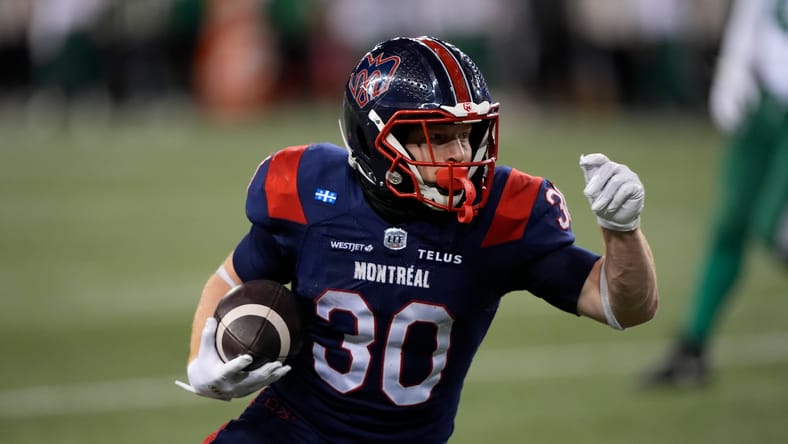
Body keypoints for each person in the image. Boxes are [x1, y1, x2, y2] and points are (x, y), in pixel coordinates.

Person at [176, 36, 659, 443]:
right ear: (374, 142)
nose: (461, 153)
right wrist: (203, 357)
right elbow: (232, 276)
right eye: (437, 136)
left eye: (468, 134)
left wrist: (623, 231)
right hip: (286, 431)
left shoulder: (501, 213)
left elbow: (624, 305)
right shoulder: (310, 190)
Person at [640, 0, 788, 389]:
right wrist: (734, 67)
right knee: (729, 225)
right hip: (764, 101)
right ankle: (693, 347)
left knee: (776, 228)